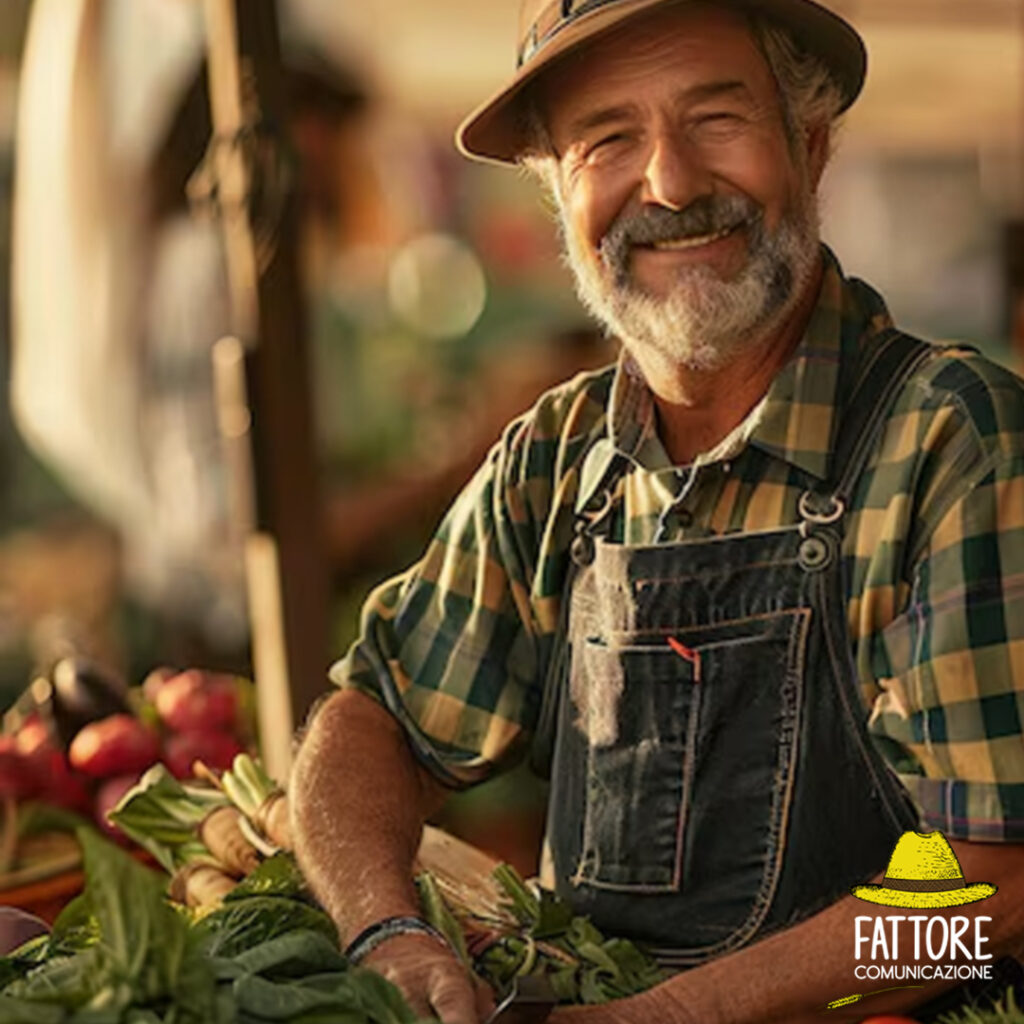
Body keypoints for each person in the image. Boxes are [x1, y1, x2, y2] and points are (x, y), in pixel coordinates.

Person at [290, 1, 1024, 1021]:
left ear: (809, 149)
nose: (670, 184)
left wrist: (670, 1017)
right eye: (608, 140)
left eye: (716, 121)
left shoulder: (949, 439)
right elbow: (370, 719)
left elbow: (990, 890)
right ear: (558, 195)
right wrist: (384, 928)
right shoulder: (551, 462)